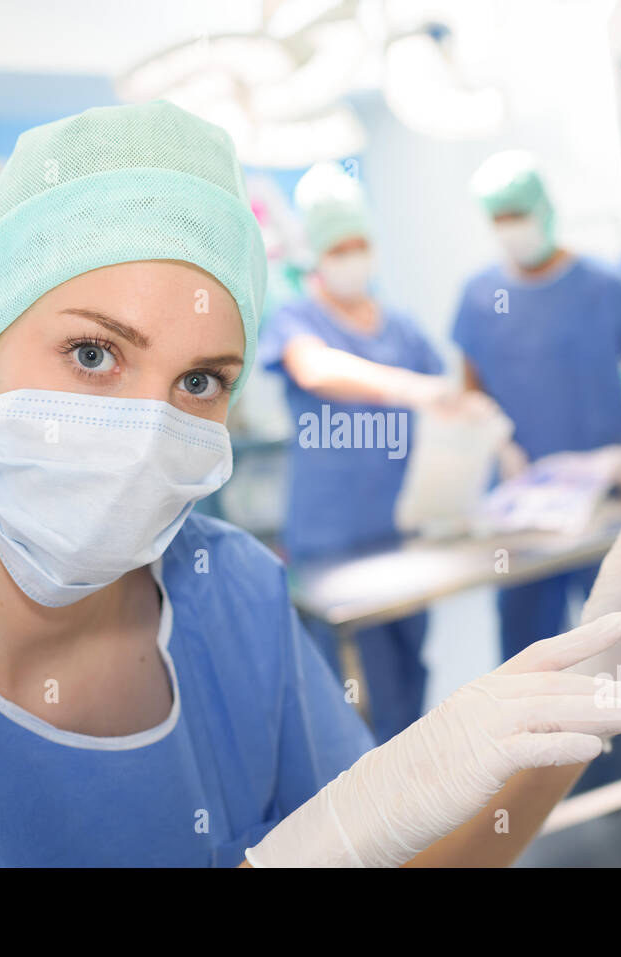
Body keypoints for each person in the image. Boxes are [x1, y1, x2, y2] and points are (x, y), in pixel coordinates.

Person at [0, 102, 621, 867]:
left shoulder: (230, 595)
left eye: (200, 381)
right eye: (93, 353)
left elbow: (390, 857)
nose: (145, 428)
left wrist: (581, 706)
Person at [258, 162, 451, 744]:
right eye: (338, 247)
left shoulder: (402, 327)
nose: (352, 256)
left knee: (410, 672)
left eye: (359, 243)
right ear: (317, 254)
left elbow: (450, 396)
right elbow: (314, 367)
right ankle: (370, 818)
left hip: (401, 531)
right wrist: (405, 386)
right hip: (333, 542)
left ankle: (421, 810)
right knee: (351, 694)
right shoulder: (297, 318)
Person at [453, 149, 621, 663]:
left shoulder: (604, 286)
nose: (510, 228)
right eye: (500, 219)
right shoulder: (479, 297)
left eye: (517, 214)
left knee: (618, 656)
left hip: (608, 500)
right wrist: (497, 443)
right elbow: (470, 393)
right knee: (528, 663)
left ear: (543, 209)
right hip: (523, 511)